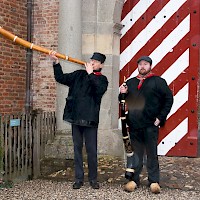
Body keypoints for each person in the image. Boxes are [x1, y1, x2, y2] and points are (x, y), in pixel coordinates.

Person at [50, 52, 108, 189]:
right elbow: (61, 78)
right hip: (75, 118)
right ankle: (79, 179)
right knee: (77, 150)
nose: (92, 62)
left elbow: (98, 91)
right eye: (91, 60)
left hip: (90, 120)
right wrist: (56, 63)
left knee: (92, 151)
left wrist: (90, 74)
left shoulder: (103, 79)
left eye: (96, 61)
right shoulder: (78, 74)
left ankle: (93, 179)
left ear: (101, 65)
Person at [119, 56, 173, 193]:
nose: (143, 66)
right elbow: (123, 102)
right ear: (138, 66)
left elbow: (168, 99)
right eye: (140, 64)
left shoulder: (158, 82)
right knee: (136, 154)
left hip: (150, 124)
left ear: (150, 66)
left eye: (145, 64)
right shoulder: (130, 82)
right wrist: (122, 94)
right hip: (135, 125)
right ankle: (134, 180)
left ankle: (154, 181)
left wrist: (160, 117)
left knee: (151, 153)